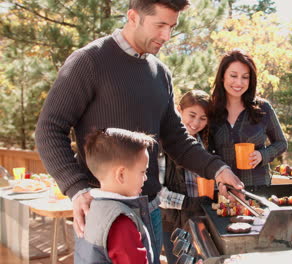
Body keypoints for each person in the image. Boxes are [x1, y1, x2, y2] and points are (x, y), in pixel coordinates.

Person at [34, 1, 244, 262]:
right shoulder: (89, 61)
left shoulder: (160, 74)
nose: (167, 36)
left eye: (172, 26)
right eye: (160, 25)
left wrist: (218, 169)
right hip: (104, 213)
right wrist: (75, 188)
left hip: (151, 210)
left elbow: (177, 140)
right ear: (133, 17)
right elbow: (48, 129)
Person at [75, 128, 156, 264]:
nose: (146, 178)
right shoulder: (121, 222)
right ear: (121, 174)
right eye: (143, 171)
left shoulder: (92, 207)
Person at [209, 49, 287, 187]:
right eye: (233, 75)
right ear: (222, 77)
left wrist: (262, 155)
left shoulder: (263, 108)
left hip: (258, 190)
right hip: (224, 192)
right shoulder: (211, 111)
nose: (239, 82)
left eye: (245, 77)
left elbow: (281, 143)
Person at [158, 90, 211, 264]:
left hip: (200, 219)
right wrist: (189, 203)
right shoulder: (163, 144)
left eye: (203, 118)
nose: (196, 123)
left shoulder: (204, 144)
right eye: (192, 115)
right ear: (179, 110)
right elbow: (157, 193)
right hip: (173, 221)